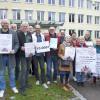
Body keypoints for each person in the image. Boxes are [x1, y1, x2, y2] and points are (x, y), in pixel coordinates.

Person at [0, 19, 19, 97]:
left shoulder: (13, 32)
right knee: (1, 74)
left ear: (9, 24)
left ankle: (13, 86)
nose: (5, 24)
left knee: (12, 73)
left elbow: (17, 43)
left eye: (7, 23)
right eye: (3, 23)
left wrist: (14, 50)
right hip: (1, 57)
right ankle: (2, 88)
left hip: (10, 56)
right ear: (1, 24)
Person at [18, 22, 32, 95]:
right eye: (24, 26)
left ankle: (26, 83)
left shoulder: (29, 34)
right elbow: (16, 43)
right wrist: (20, 47)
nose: (25, 27)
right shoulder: (18, 33)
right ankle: (21, 88)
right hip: (22, 55)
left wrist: (31, 51)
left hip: (29, 55)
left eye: (26, 26)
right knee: (23, 70)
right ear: (21, 27)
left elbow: (31, 43)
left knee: (27, 70)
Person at [32, 25, 48, 89]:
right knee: (35, 67)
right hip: (35, 54)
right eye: (36, 28)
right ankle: (37, 79)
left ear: (40, 29)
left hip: (41, 54)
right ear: (35, 29)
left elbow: (44, 44)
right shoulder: (32, 36)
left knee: (42, 68)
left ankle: (43, 81)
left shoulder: (42, 36)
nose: (37, 29)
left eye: (38, 28)